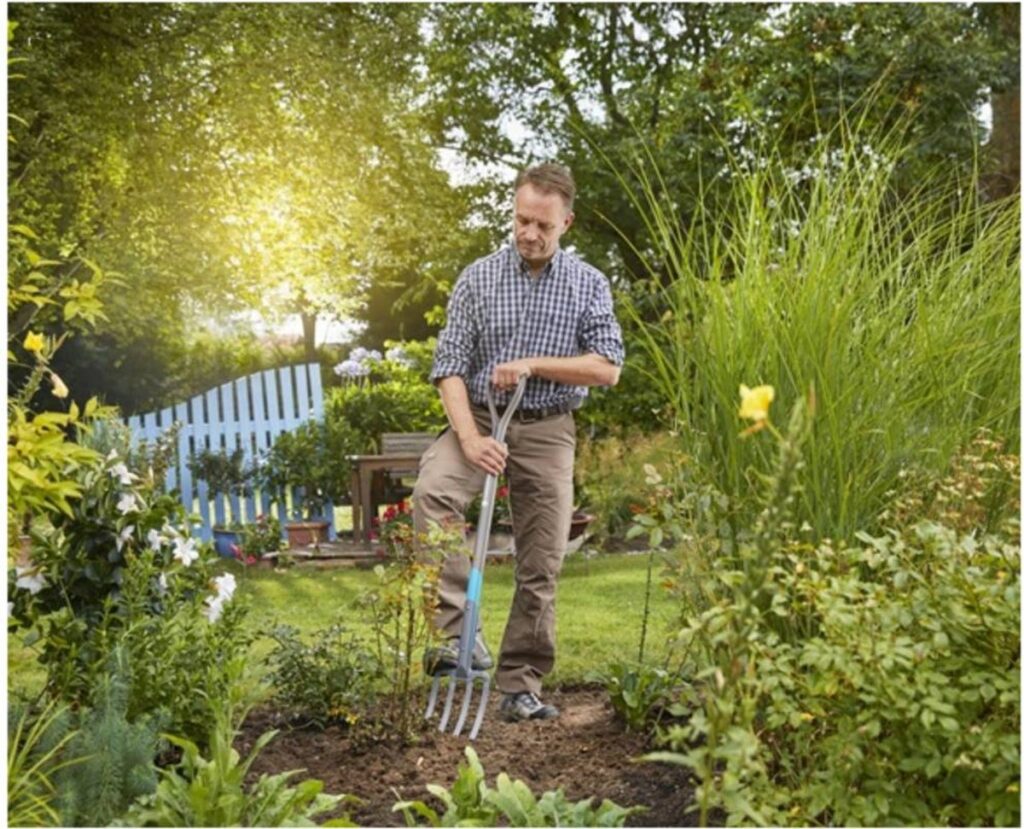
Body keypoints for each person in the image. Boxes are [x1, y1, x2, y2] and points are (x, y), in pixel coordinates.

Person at [412, 162, 624, 723]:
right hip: (480, 414)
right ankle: (460, 637)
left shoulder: (589, 285)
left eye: (543, 226)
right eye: (521, 220)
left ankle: (519, 684)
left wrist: (532, 364)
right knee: (433, 493)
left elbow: (607, 368)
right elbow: (450, 367)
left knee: (542, 558)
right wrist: (471, 437)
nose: (529, 233)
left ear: (566, 223)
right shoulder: (477, 278)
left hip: (550, 426)